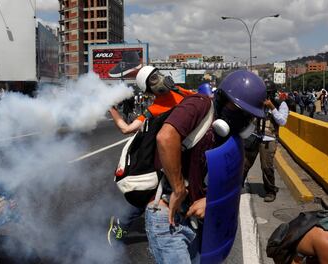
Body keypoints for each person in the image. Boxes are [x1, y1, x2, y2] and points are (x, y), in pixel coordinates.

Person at [146, 70, 266, 263]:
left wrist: (210, 201)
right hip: (167, 214)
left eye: (249, 115)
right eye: (238, 109)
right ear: (222, 98)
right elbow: (166, 137)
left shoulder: (229, 136)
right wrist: (178, 188)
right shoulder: (199, 105)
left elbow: (228, 181)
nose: (244, 119)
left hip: (194, 218)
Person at [107, 66, 195, 244]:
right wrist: (112, 109)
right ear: (148, 90)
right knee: (151, 195)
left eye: (158, 75)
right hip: (166, 156)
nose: (159, 79)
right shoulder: (153, 109)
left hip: (190, 151)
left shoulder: (182, 91)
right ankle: (121, 224)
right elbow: (126, 129)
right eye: (153, 80)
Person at [243, 86, 289, 202]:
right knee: (244, 164)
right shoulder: (257, 103)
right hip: (253, 136)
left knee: (266, 166)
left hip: (269, 139)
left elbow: (282, 122)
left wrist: (272, 107)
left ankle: (270, 191)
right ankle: (237, 186)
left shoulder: (281, 104)